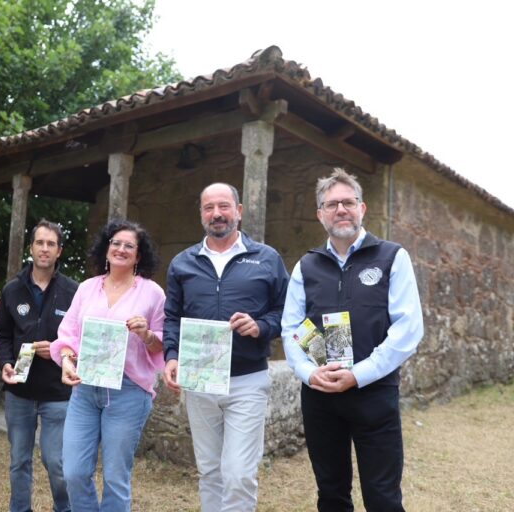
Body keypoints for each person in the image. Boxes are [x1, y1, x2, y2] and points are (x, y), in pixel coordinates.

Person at [280, 168, 424, 512]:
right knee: (331, 495)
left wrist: (359, 374)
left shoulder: (391, 257)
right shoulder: (306, 266)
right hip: (320, 395)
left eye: (348, 202)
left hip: (374, 393)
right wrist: (309, 374)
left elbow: (408, 329)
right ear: (320, 214)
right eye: (331, 205)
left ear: (363, 208)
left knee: (383, 497)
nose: (341, 209)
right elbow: (291, 328)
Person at [162, 183, 289, 512]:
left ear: (239, 211)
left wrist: (261, 326)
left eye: (223, 206)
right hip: (199, 380)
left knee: (238, 474)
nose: (216, 214)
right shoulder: (182, 263)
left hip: (247, 381)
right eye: (208, 208)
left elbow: (287, 313)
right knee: (210, 471)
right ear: (201, 214)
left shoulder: (267, 259)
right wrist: (172, 356)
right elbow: (172, 317)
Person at [50, 219, 166, 512]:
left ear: (139, 256)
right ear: (106, 249)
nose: (121, 249)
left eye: (130, 246)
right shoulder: (87, 288)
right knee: (74, 472)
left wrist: (147, 334)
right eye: (116, 243)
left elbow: (164, 344)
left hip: (128, 393)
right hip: (85, 390)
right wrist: (65, 359)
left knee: (115, 478)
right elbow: (68, 335)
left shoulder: (152, 293)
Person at [0, 219, 78, 512]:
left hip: (58, 392)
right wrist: (5, 362)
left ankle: (64, 508)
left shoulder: (74, 292)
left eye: (51, 244)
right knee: (19, 460)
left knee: (56, 462)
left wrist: (58, 352)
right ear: (31, 248)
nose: (44, 249)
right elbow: (3, 335)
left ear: (59, 251)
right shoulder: (12, 290)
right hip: (19, 390)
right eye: (39, 243)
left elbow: (81, 340)